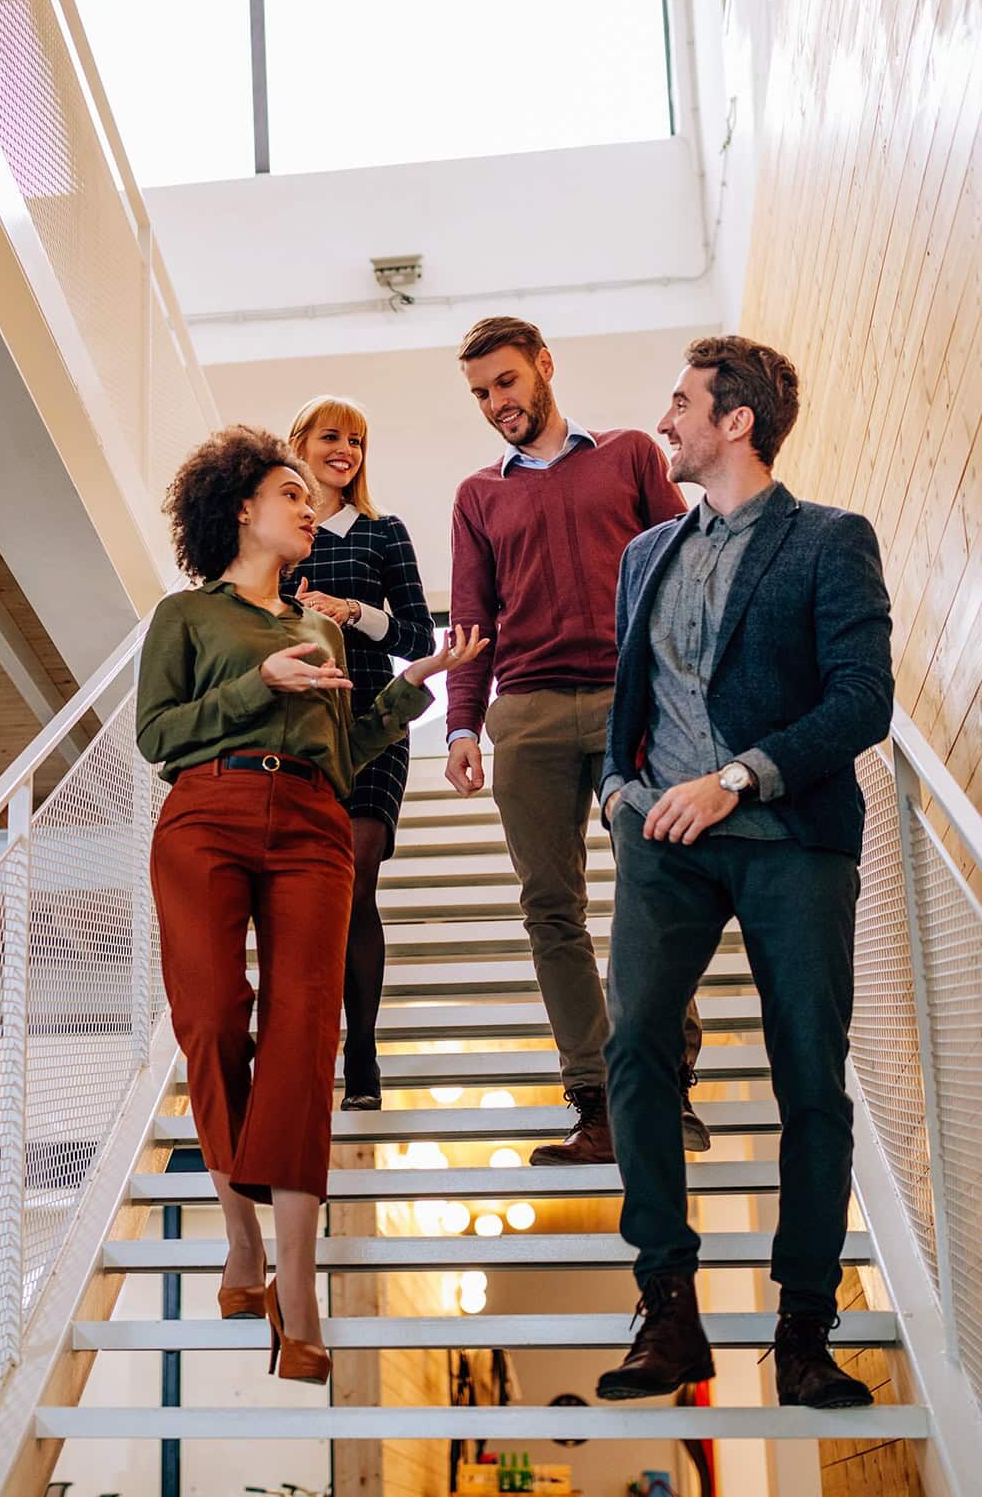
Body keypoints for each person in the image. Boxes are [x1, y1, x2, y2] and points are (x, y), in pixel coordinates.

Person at [136, 425, 484, 1386]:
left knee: (303, 1035)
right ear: (242, 508)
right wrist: (260, 681)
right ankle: (241, 1237)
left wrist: (411, 688)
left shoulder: (321, 628)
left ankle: (297, 1286)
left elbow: (345, 746)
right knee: (213, 1016)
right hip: (206, 812)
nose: (307, 508)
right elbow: (156, 734)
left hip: (314, 822)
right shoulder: (186, 616)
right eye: (289, 493)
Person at [594, 337, 893, 1410]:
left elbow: (861, 700)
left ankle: (804, 1329)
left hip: (790, 837)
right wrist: (616, 791)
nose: (662, 421)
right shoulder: (645, 554)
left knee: (809, 1073)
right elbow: (625, 692)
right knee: (633, 1043)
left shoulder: (829, 539)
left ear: (736, 422)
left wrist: (737, 778)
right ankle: (668, 1308)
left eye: (680, 403)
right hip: (662, 842)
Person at [446, 316, 707, 1164]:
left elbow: (687, 571)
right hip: (526, 713)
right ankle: (597, 1104)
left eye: (506, 382)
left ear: (544, 368)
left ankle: (663, 1088)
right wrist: (461, 723)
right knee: (550, 909)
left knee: (656, 889)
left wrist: (692, 691)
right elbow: (471, 620)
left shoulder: (628, 454)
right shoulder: (478, 496)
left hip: (634, 701)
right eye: (481, 393)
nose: (496, 402)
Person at [286, 395, 437, 1111]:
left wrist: (354, 613)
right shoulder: (281, 530)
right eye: (331, 436)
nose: (345, 450)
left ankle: (363, 1053)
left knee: (357, 882)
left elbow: (418, 635)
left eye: (356, 440)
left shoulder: (382, 531)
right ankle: (313, 1043)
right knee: (309, 896)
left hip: (376, 720)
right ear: (299, 444)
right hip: (297, 728)